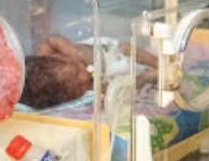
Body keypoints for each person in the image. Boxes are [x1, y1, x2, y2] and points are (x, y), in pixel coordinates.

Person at [19, 35, 158, 110]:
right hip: (109, 78)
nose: (85, 77)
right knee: (123, 87)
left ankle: (157, 62)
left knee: (127, 48)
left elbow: (51, 40)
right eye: (79, 87)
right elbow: (104, 93)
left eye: (75, 71)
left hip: (109, 52)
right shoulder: (73, 94)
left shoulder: (45, 56)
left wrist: (70, 50)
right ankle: (148, 76)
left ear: (53, 57)